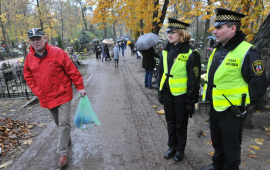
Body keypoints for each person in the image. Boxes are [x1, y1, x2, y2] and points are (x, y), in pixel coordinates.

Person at [201, 8, 267, 170]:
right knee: (217, 140)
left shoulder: (247, 51)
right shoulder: (218, 49)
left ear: (232, 29)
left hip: (233, 110)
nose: (214, 31)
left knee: (231, 146)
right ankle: (217, 165)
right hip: (217, 105)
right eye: (215, 27)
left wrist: (244, 105)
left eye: (219, 28)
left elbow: (259, 85)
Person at [23, 28, 86, 168]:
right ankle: (66, 138)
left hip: (62, 94)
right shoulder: (29, 58)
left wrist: (80, 86)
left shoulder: (57, 52)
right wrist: (37, 90)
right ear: (30, 42)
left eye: (38, 39)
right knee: (58, 123)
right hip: (46, 97)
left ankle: (62, 152)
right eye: (33, 40)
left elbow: (72, 70)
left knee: (64, 123)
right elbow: (27, 75)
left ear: (44, 38)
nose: (36, 42)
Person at [157, 18, 201, 162]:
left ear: (181, 35)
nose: (169, 35)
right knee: (170, 122)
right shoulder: (166, 49)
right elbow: (161, 71)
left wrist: (190, 101)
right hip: (168, 92)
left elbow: (193, 80)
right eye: (168, 32)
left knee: (180, 124)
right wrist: (160, 89)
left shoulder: (190, 53)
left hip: (182, 95)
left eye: (173, 32)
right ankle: (172, 146)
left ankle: (180, 150)